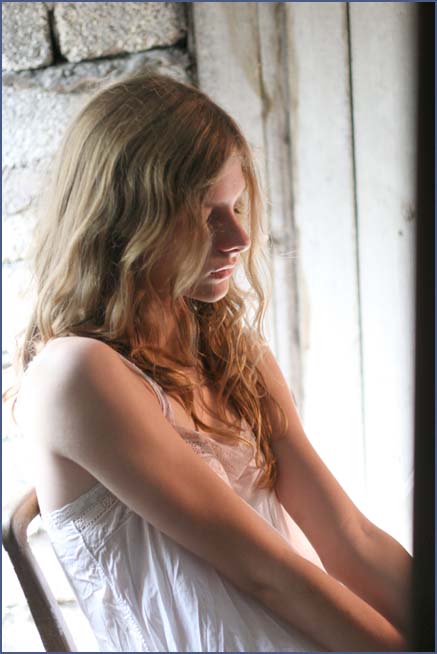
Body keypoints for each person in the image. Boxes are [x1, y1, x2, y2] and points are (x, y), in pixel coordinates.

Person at [16, 73, 412, 652]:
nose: (239, 237)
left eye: (236, 206)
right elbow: (264, 574)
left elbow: (350, 536)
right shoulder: (76, 375)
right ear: (128, 220)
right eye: (206, 215)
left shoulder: (229, 351)